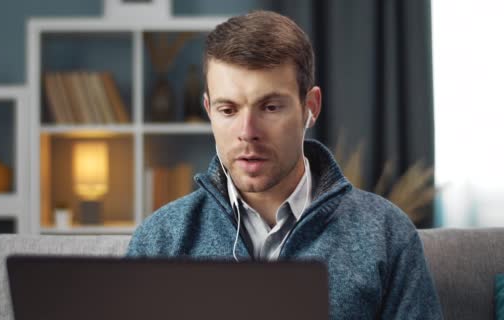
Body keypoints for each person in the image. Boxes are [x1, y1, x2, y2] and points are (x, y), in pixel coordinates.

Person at [127, 10, 442, 319]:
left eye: (270, 106)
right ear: (209, 110)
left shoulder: (386, 234)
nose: (248, 132)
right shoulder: (160, 239)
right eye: (228, 110)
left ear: (311, 107)